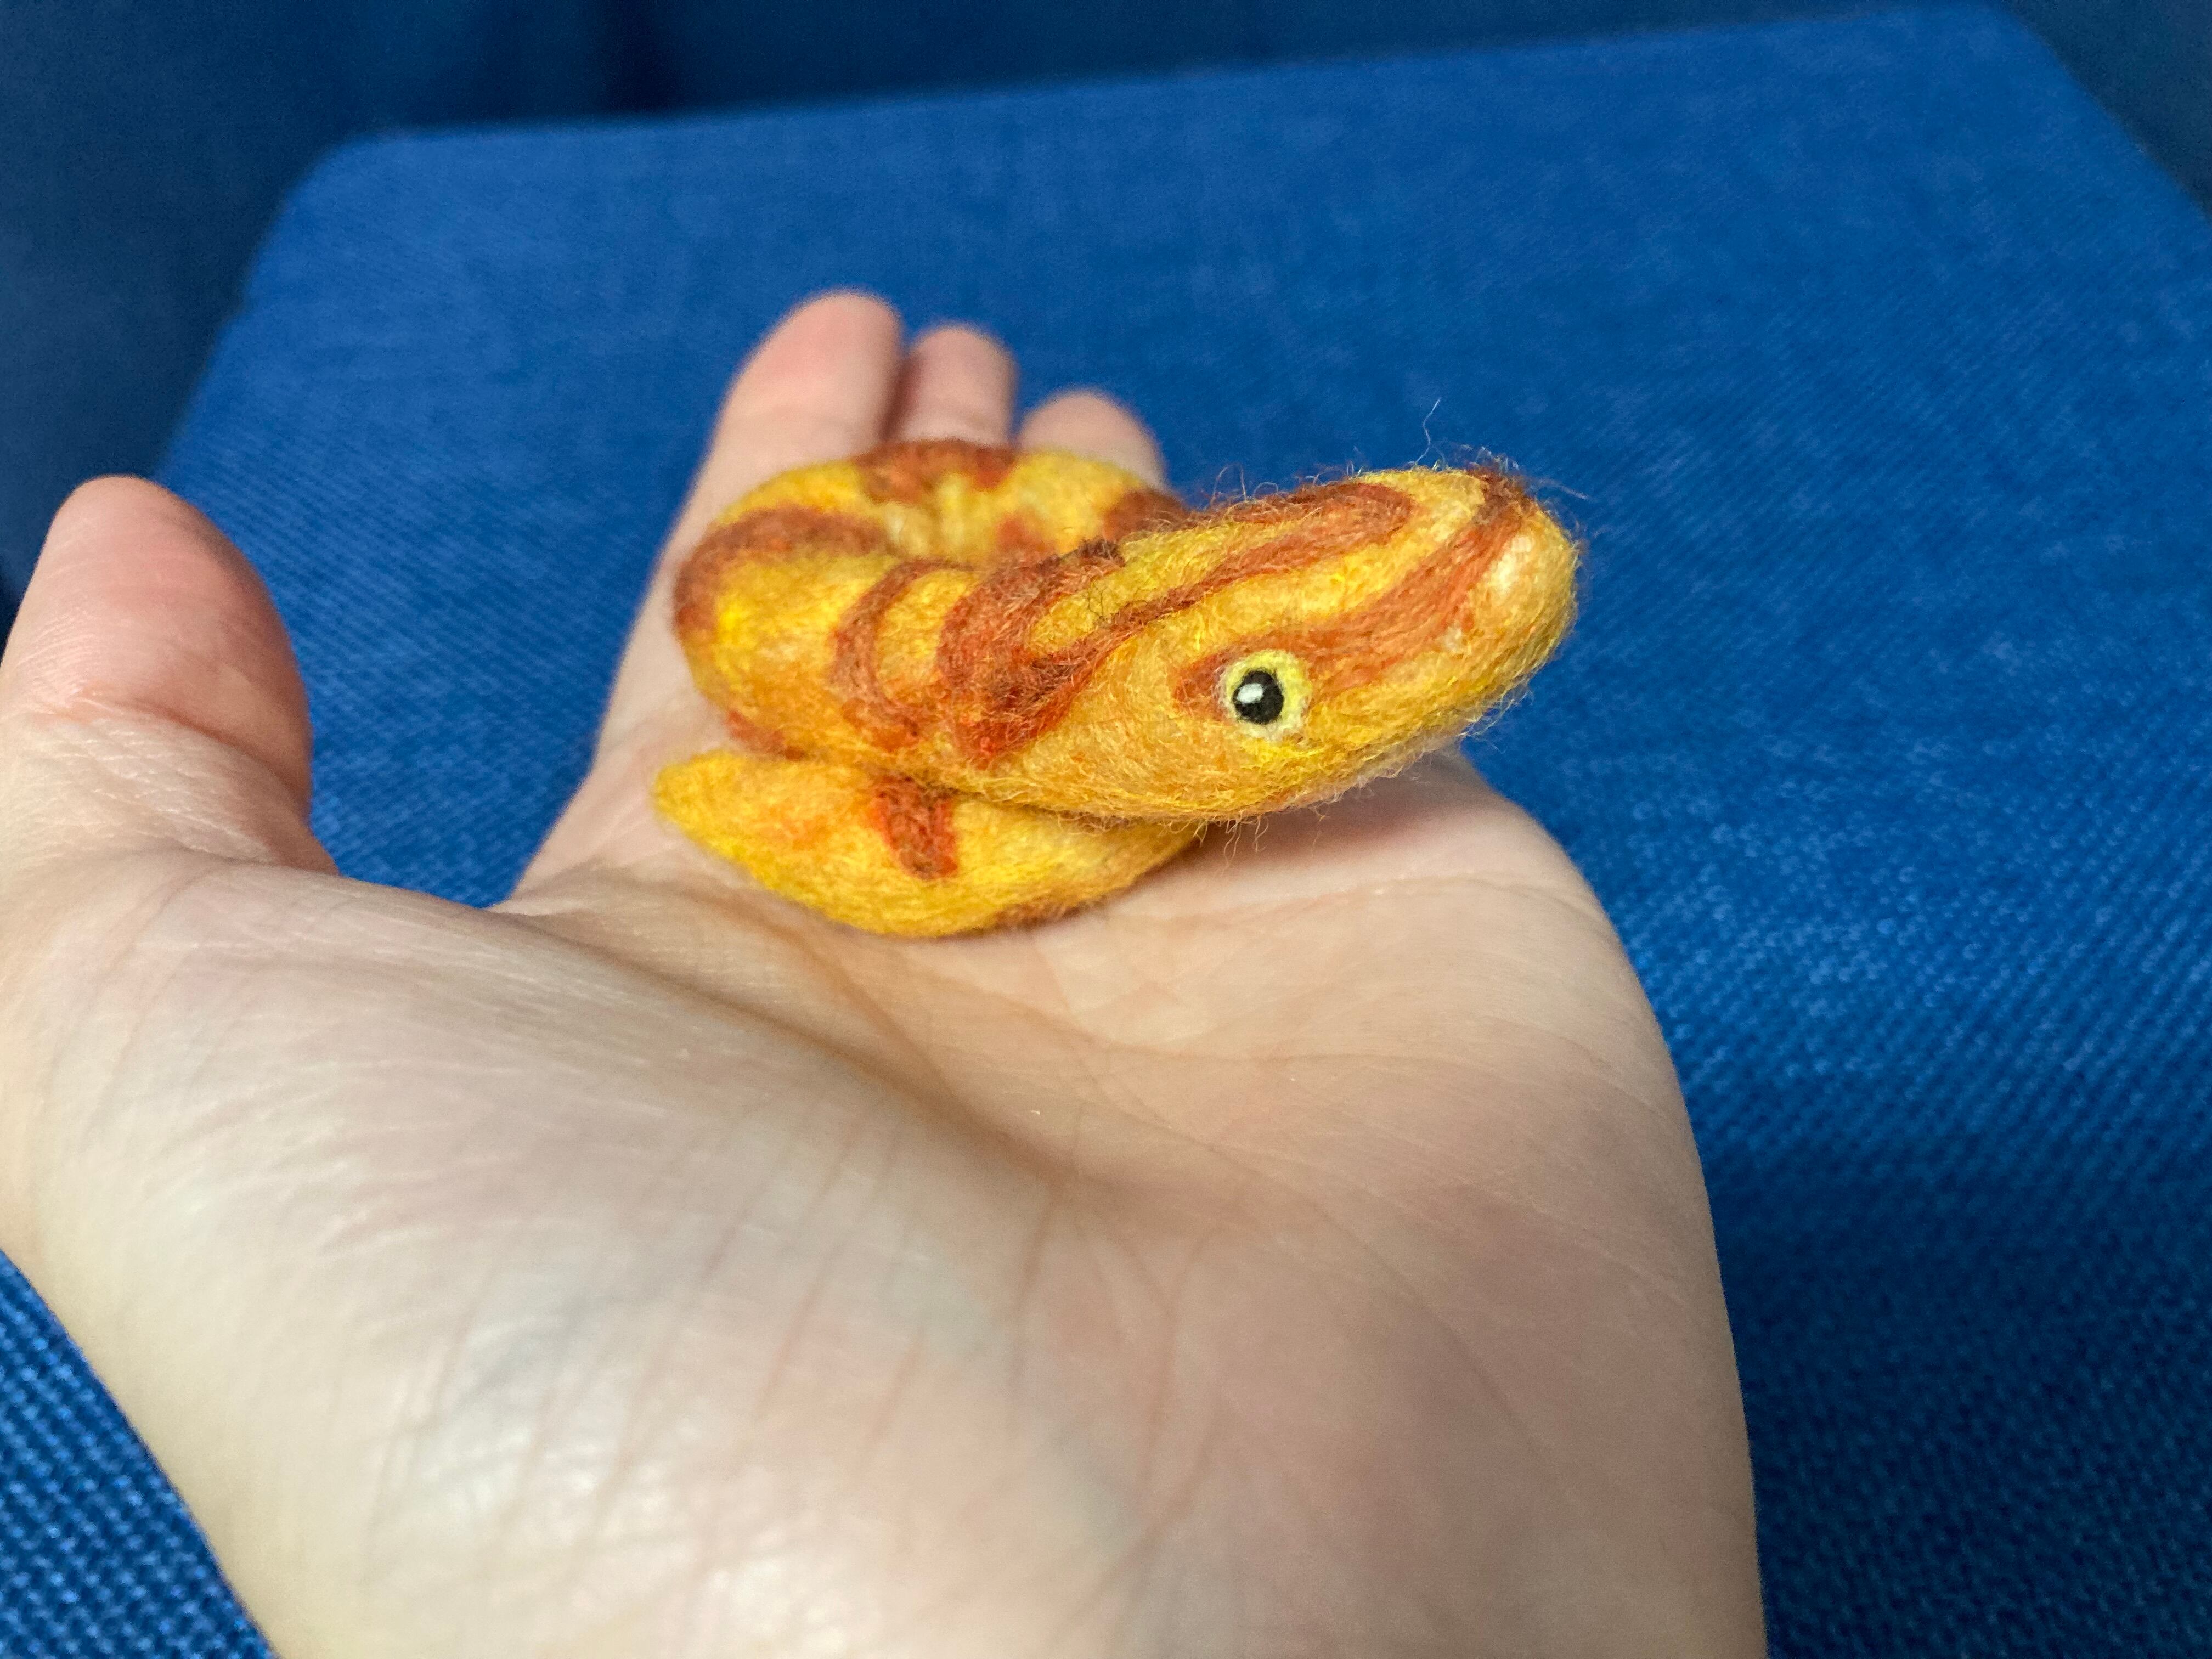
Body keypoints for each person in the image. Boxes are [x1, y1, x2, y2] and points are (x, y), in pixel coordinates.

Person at [0, 291, 1765, 1656]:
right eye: (1265, 699)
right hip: (823, 592)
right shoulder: (1040, 797)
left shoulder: (1105, 708)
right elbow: (746, 797)